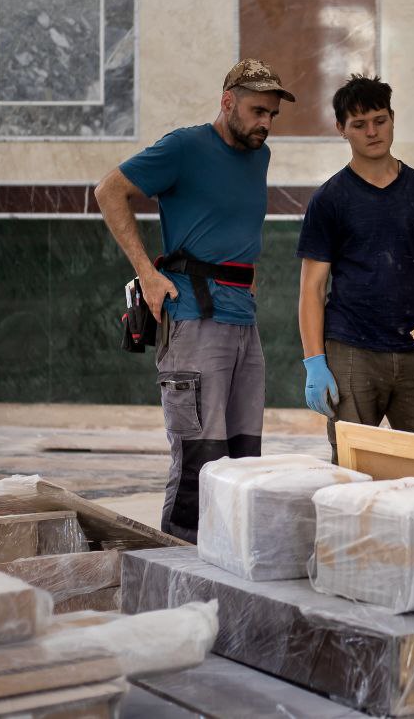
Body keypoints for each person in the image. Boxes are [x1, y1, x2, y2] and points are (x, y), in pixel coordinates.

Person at [93, 58, 295, 543]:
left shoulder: (259, 156)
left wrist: (245, 272)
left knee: (243, 457)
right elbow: (109, 191)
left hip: (243, 320)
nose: (266, 123)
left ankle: (229, 557)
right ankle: (178, 562)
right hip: (193, 318)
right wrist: (147, 274)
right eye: (257, 111)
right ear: (227, 102)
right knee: (198, 458)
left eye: (272, 114)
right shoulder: (184, 147)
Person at [296, 75, 414, 462]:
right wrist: (314, 362)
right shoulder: (329, 200)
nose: (372, 132)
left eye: (380, 120)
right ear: (341, 129)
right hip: (351, 351)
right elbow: (312, 288)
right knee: (352, 469)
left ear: (393, 119)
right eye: (359, 124)